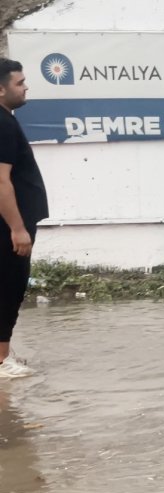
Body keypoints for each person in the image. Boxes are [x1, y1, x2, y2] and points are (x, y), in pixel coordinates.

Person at [0, 58, 48, 378]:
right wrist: (17, 228)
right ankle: (2, 363)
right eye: (19, 82)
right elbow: (1, 180)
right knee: (9, 288)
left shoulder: (6, 120)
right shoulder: (2, 123)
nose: (25, 86)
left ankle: (2, 356)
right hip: (8, 227)